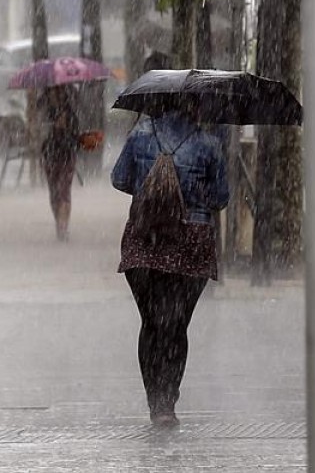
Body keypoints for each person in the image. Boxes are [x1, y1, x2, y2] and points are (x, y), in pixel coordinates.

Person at [111, 108, 229, 428]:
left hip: (144, 238)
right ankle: (169, 402)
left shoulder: (139, 137)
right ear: (196, 105)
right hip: (191, 241)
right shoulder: (209, 144)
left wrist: (154, 184)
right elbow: (220, 198)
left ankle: (155, 402)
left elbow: (119, 179)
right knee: (176, 325)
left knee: (151, 323)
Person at [38, 84, 80, 241]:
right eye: (53, 91)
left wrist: (65, 129)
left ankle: (63, 227)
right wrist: (51, 129)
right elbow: (39, 135)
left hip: (67, 156)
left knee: (64, 191)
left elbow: (76, 137)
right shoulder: (44, 113)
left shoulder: (70, 114)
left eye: (59, 91)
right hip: (49, 156)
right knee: (54, 193)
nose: (56, 94)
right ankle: (59, 224)